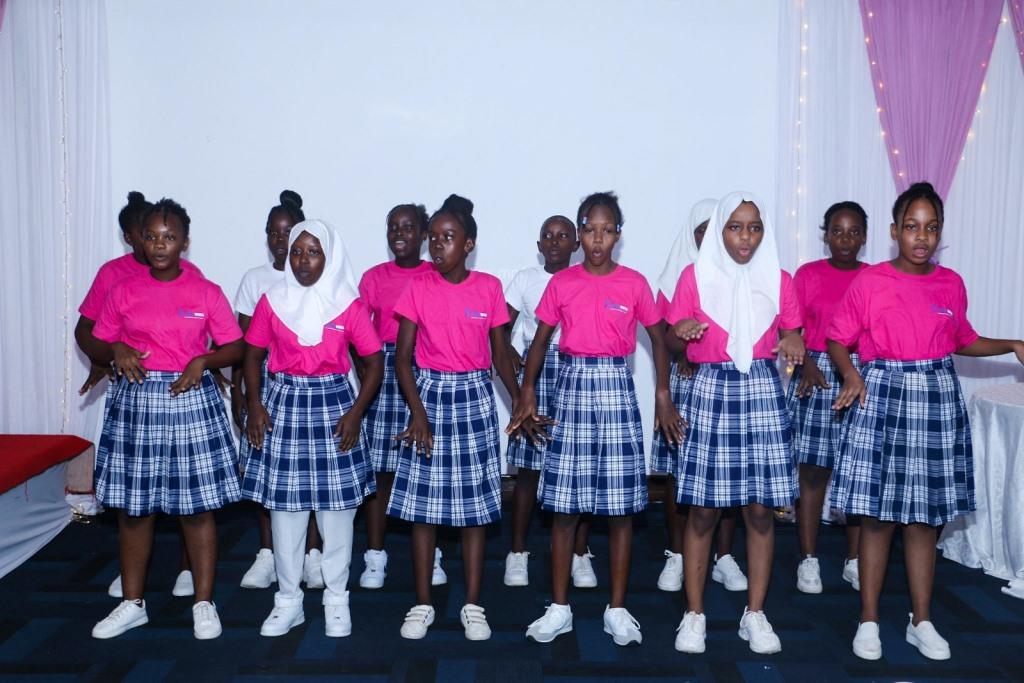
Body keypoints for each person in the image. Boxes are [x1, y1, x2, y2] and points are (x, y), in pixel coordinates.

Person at [827, 182, 1024, 661]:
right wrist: (851, 373)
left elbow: (962, 339)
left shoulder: (950, 283)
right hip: (882, 396)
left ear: (940, 233)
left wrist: (1011, 344)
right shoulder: (870, 282)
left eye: (931, 227)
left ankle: (922, 620)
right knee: (877, 519)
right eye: (912, 227)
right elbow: (837, 339)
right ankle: (868, 620)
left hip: (935, 398)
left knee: (924, 520)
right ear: (894, 231)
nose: (922, 236)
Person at [511, 191, 683, 647]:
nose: (598, 240)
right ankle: (559, 608)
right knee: (565, 508)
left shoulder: (634, 284)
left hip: (617, 390)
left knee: (622, 510)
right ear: (580, 234)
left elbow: (659, 340)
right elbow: (540, 341)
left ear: (618, 235)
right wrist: (527, 390)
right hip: (571, 390)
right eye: (589, 230)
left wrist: (662, 395)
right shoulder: (563, 283)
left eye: (607, 231)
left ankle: (618, 609)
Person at [90, 199, 244, 640]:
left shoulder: (206, 291)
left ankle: (204, 603)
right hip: (137, 401)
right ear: (140, 240)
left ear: (184, 243)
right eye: (152, 237)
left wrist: (204, 360)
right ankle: (132, 603)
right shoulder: (123, 290)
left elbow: (236, 346)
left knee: (196, 509)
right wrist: (115, 349)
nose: (160, 245)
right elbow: (98, 342)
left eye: (169, 237)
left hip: (190, 398)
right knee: (134, 510)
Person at [667, 192, 804, 655]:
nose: (746, 237)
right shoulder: (694, 276)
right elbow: (671, 336)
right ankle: (694, 614)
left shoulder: (780, 279)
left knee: (761, 511)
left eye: (754, 227)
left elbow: (792, 331)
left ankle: (756, 614)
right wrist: (680, 332)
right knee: (703, 510)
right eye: (735, 227)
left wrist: (794, 341)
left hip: (762, 387)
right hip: (711, 388)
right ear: (720, 230)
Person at [388, 195, 522, 641]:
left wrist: (519, 399)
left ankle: (473, 604)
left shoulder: (488, 288)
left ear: (468, 245)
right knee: (422, 510)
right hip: (428, 397)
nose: (437, 246)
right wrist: (418, 413)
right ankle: (422, 603)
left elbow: (500, 354)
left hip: (474, 398)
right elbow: (402, 359)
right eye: (433, 238)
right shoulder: (418, 288)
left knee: (474, 511)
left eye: (448, 238)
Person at [241, 219, 383, 637]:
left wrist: (356, 413)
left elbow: (375, 363)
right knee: (285, 511)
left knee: (337, 512)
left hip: (335, 407)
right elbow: (252, 356)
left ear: (330, 257)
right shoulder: (272, 301)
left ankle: (336, 598)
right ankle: (288, 600)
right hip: (284, 404)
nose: (303, 261)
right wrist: (255, 404)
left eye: (313, 252)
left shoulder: (347, 304)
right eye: (297, 252)